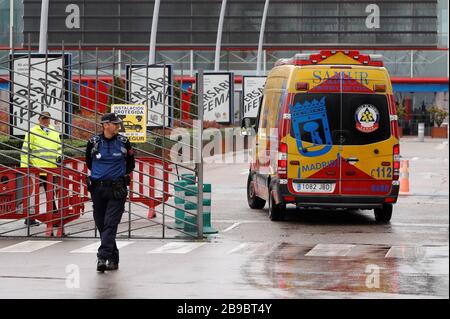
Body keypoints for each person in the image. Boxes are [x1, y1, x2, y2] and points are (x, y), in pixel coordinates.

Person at [85, 113, 135, 272]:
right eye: (115, 124)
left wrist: (117, 175)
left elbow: (130, 164)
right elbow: (89, 162)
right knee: (101, 224)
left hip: (117, 189)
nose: (118, 126)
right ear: (106, 125)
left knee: (110, 223)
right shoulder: (93, 142)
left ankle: (102, 256)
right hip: (98, 188)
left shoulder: (124, 142)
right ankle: (113, 258)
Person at [20, 111, 61, 228]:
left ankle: (50, 216)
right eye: (43, 119)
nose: (45, 121)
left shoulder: (54, 131)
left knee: (49, 193)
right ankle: (50, 216)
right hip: (36, 168)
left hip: (51, 169)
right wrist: (24, 168)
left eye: (47, 119)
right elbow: (25, 150)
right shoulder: (32, 132)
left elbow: (58, 147)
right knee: (33, 194)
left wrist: (59, 157)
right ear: (39, 119)